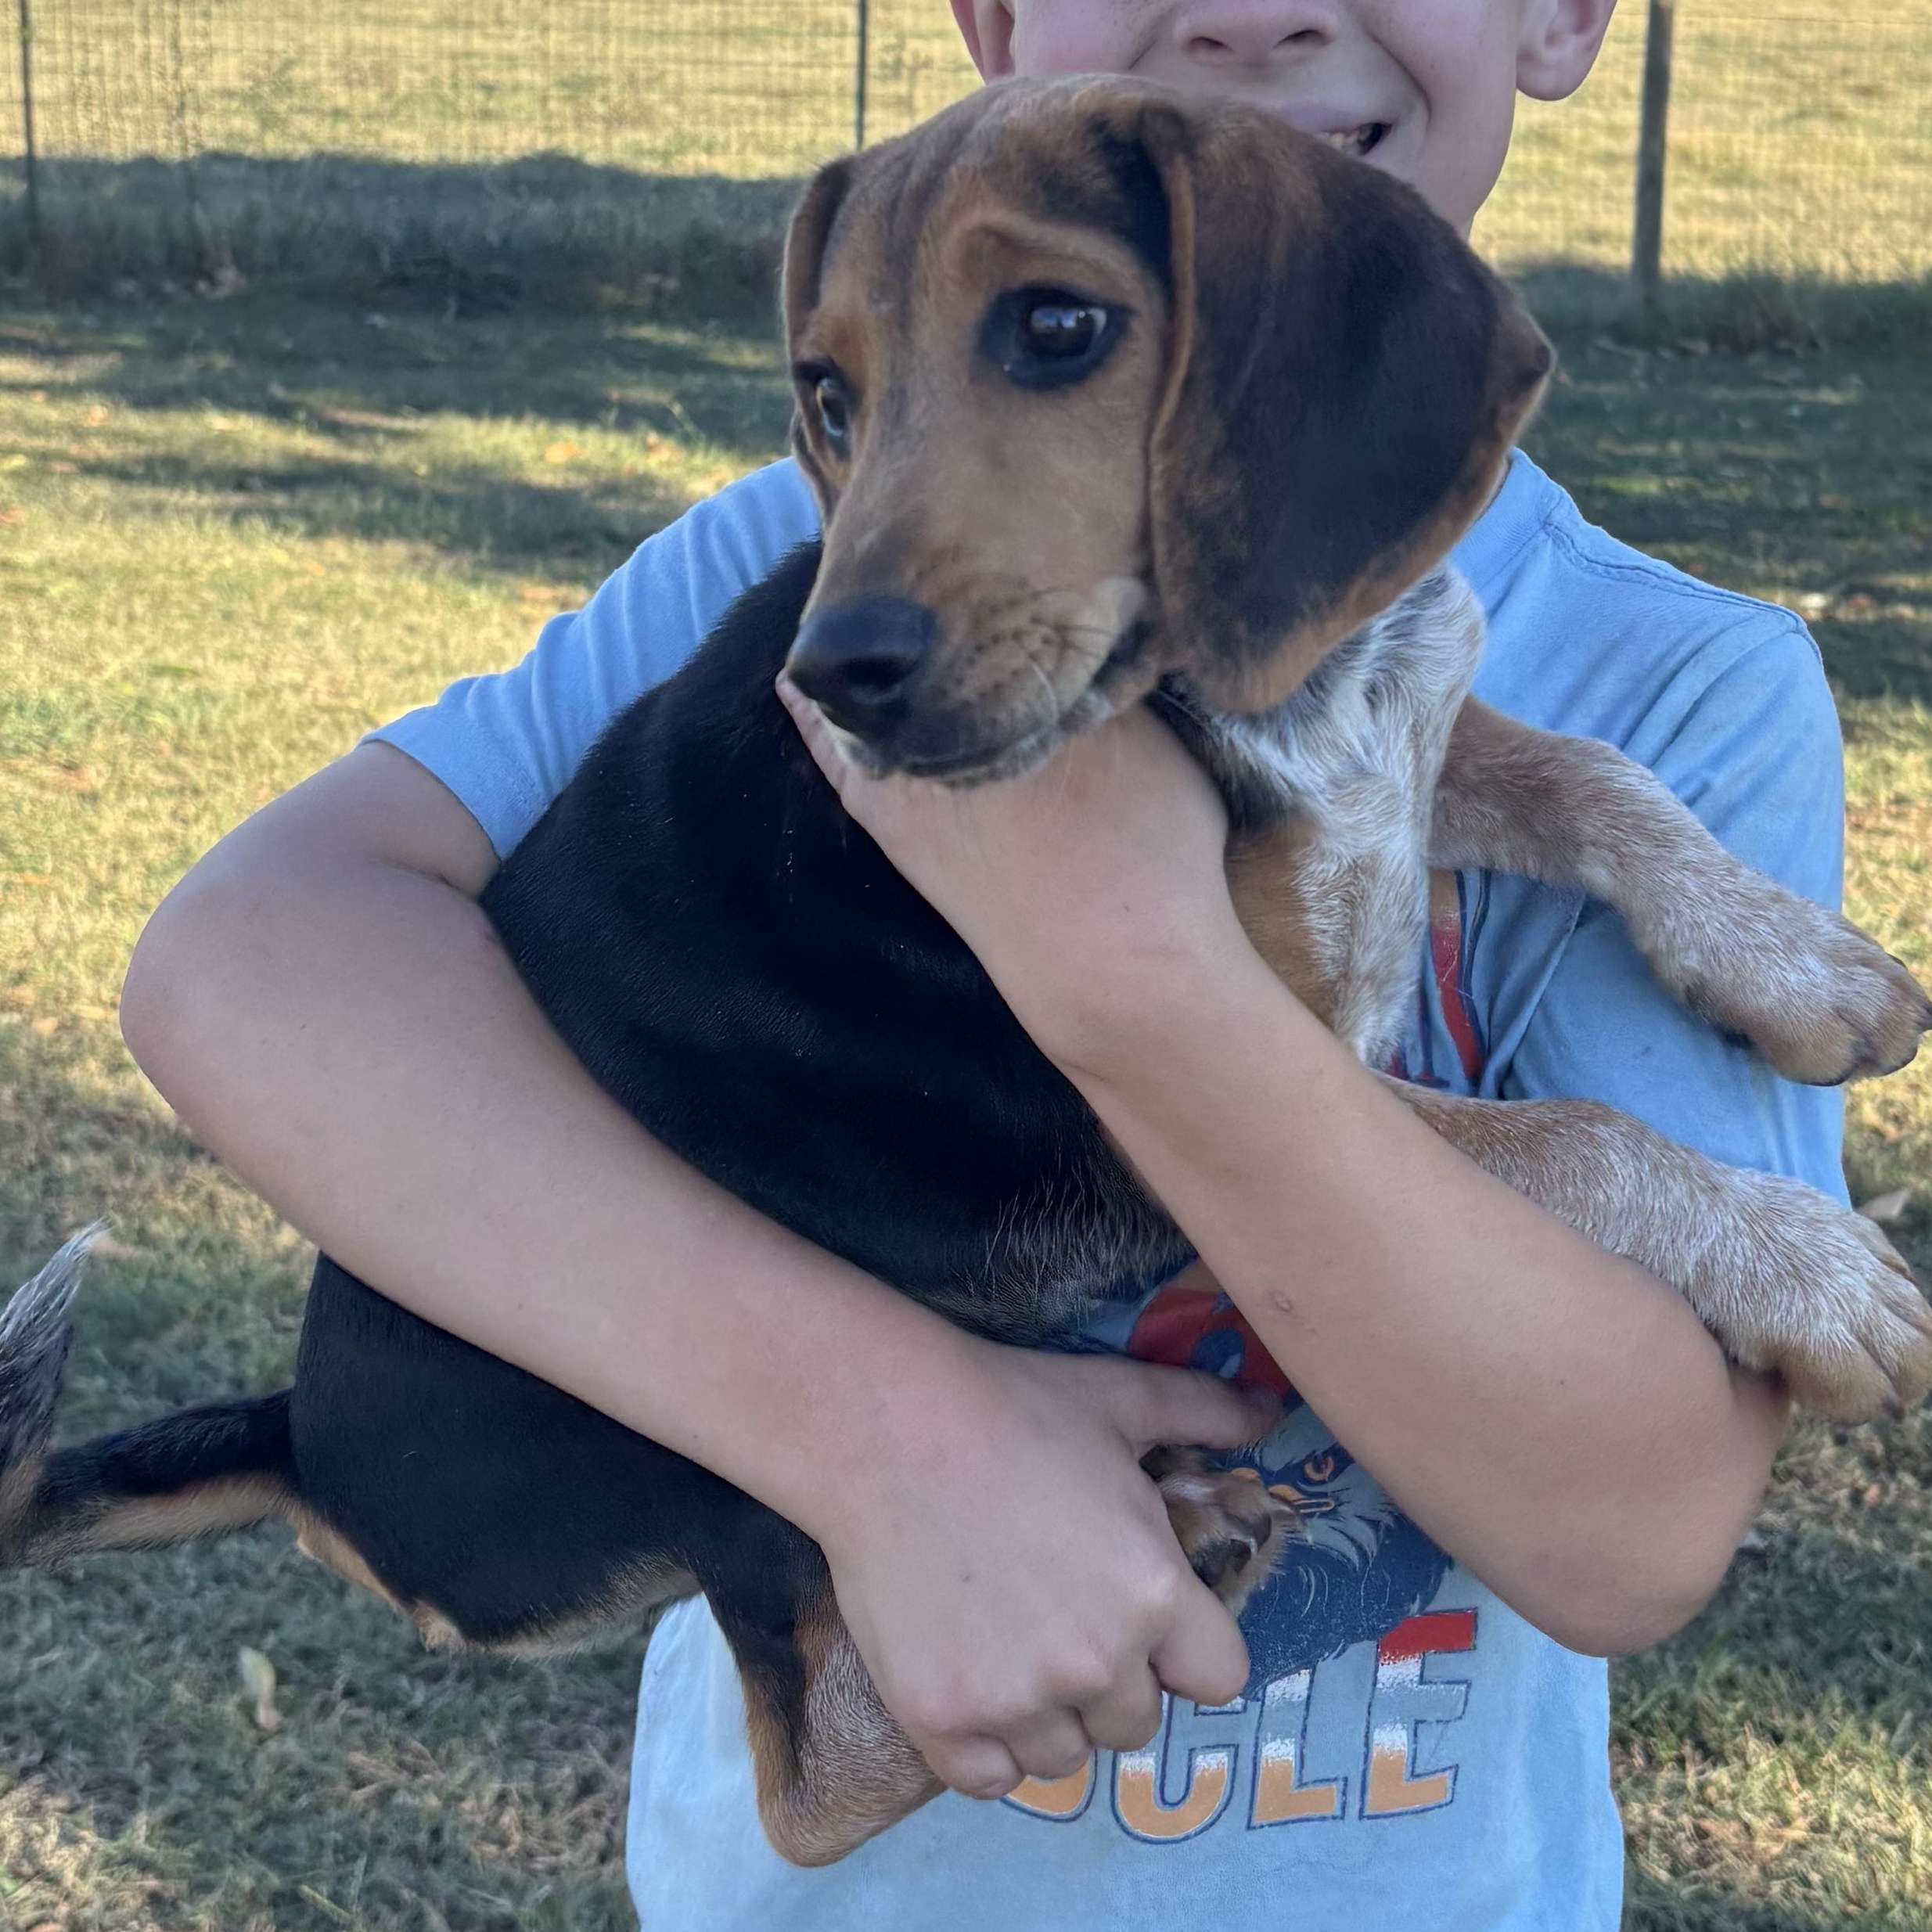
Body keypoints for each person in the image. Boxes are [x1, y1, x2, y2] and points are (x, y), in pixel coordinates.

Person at [119, 2, 1847, 1925]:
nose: (1251, 1)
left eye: (1054, 333)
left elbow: (1633, 1526)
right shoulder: (798, 592)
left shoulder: (1685, 688)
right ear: (985, 15)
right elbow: (240, 960)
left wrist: (1125, 977)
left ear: (1558, 17)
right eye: (841, 407)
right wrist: (884, 1433)